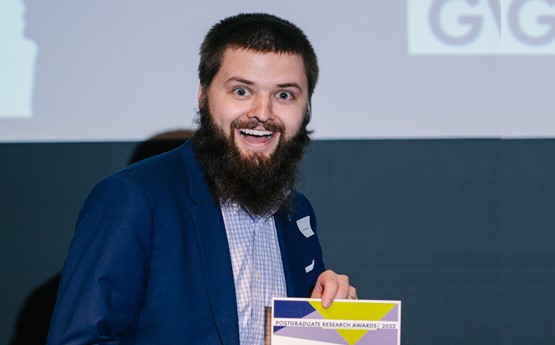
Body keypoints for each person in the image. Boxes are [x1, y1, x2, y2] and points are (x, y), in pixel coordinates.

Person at [46, 13, 356, 345]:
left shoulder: (297, 212)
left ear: (306, 107)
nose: (263, 113)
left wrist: (331, 320)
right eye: (241, 91)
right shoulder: (134, 197)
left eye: (284, 96)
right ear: (203, 96)